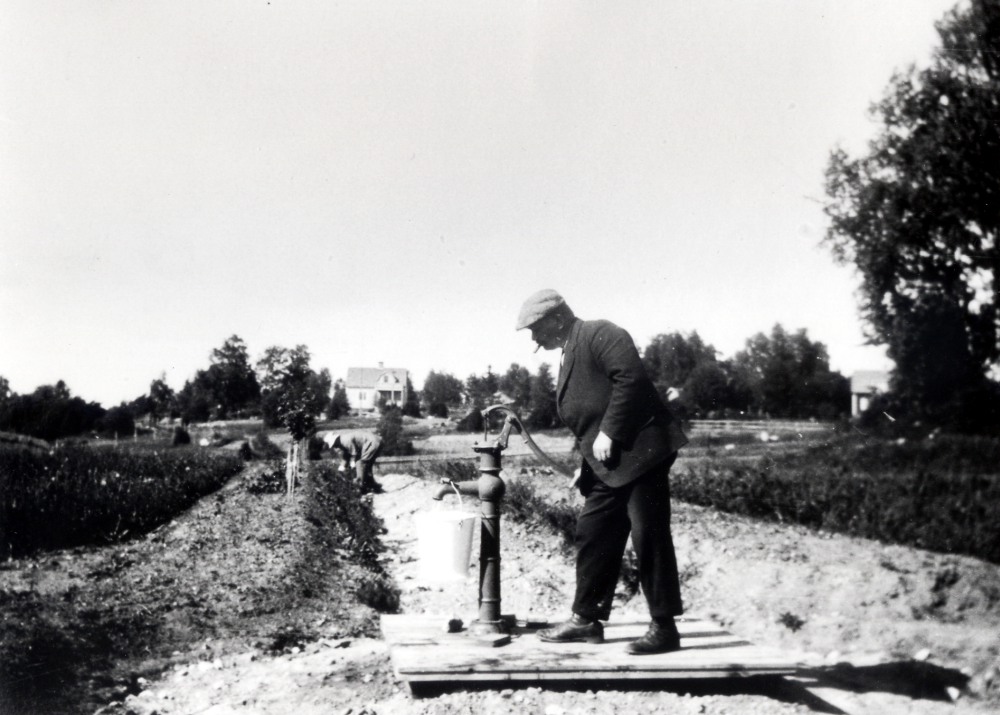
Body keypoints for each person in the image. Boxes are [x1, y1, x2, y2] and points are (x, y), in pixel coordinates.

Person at [516, 289, 689, 655]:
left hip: (642, 455)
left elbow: (632, 381)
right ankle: (586, 621)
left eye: (536, 328)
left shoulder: (601, 334)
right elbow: (589, 419)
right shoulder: (569, 355)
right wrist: (586, 467)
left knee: (649, 538)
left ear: (558, 318)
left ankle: (664, 627)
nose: (534, 337)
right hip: (609, 466)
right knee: (593, 533)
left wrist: (611, 432)